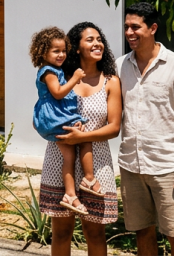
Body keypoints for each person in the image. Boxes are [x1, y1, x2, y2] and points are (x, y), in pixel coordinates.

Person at [119, 2, 174, 256]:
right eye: (126, 27)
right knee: (142, 231)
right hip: (131, 165)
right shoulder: (120, 66)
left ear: (153, 28)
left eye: (135, 27)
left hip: (167, 166)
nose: (130, 32)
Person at [40, 22, 122, 256]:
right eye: (90, 39)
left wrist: (82, 136)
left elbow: (114, 128)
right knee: (62, 232)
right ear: (76, 47)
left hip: (96, 163)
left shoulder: (111, 81)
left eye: (99, 39)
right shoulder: (62, 78)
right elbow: (45, 109)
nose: (97, 43)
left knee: (95, 233)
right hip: (60, 158)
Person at [31, 26, 102, 214]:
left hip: (59, 116)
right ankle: (87, 180)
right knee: (83, 140)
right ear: (43, 52)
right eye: (56, 51)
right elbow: (58, 93)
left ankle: (71, 194)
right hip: (54, 118)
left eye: (63, 51)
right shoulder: (48, 72)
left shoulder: (56, 70)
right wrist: (75, 78)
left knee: (71, 154)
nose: (61, 55)